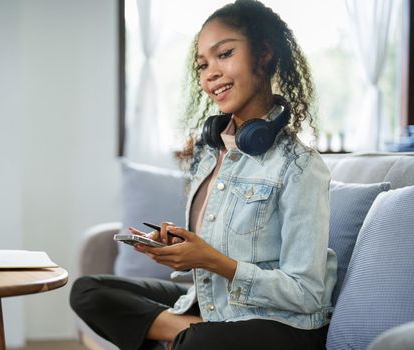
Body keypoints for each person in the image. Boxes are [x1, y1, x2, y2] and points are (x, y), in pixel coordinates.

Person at [70, 1, 337, 349]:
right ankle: (184, 332)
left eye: (224, 53)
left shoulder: (300, 166)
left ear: (264, 53)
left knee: (198, 343)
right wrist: (184, 247)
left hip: (279, 323)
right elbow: (216, 248)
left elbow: (308, 294)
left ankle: (182, 336)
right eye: (202, 64)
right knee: (89, 291)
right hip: (213, 308)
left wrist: (210, 260)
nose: (210, 74)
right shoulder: (210, 153)